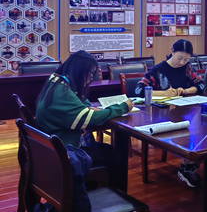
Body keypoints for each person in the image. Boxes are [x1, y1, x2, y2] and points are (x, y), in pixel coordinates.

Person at [35, 50, 133, 188]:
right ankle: (114, 195)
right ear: (79, 71)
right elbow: (88, 119)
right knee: (114, 155)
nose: (91, 78)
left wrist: (88, 108)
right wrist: (122, 107)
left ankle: (100, 189)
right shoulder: (61, 92)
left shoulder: (57, 80)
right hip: (63, 151)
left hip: (53, 144)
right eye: (90, 73)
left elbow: (79, 101)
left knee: (108, 150)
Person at [135, 39, 205, 187]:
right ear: (172, 52)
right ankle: (187, 168)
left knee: (202, 132)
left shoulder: (187, 68)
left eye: (186, 59)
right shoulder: (159, 70)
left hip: (183, 112)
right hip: (161, 117)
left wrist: (185, 90)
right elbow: (139, 90)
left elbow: (201, 84)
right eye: (179, 58)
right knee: (191, 133)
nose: (182, 62)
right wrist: (163, 93)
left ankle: (188, 166)